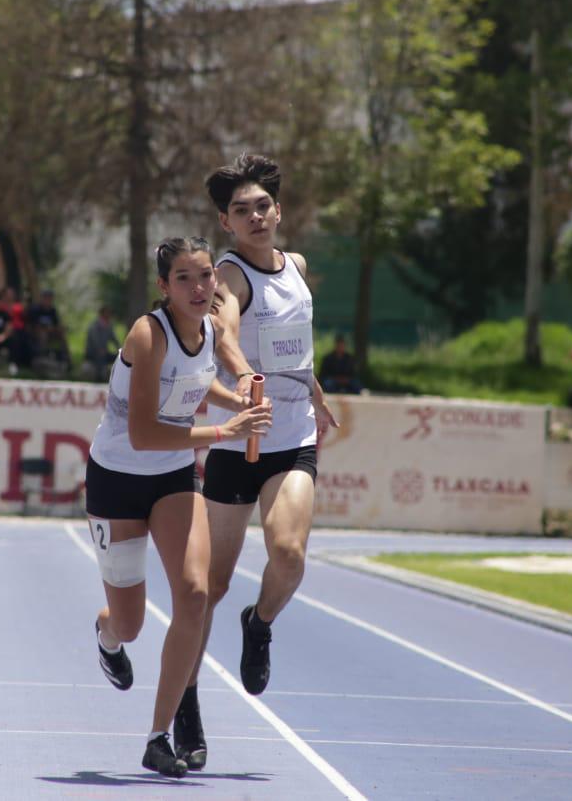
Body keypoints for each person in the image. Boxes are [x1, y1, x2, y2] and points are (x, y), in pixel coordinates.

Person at [84, 236, 270, 777]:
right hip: (117, 479)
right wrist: (225, 429)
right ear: (164, 287)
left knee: (194, 593)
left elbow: (196, 380)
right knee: (131, 622)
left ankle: (158, 735)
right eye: (184, 278)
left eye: (206, 276)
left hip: (173, 477)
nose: (198, 287)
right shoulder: (148, 333)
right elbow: (142, 434)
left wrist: (235, 399)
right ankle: (107, 635)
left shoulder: (209, 329)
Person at [177, 153, 338, 770]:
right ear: (227, 222)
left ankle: (261, 621)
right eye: (240, 210)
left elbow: (295, 343)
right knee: (208, 588)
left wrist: (313, 389)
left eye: (262, 206)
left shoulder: (295, 267)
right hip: (238, 441)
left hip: (292, 433)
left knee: (289, 555)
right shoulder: (228, 276)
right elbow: (227, 334)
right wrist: (243, 374)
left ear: (279, 211)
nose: (254, 217)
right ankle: (187, 699)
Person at [84, 305, 120, 383]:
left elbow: (114, 339)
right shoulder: (94, 326)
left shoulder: (109, 326)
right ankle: (99, 377)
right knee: (101, 356)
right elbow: (94, 341)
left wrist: (120, 350)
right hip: (92, 352)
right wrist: (100, 350)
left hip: (103, 351)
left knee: (117, 357)